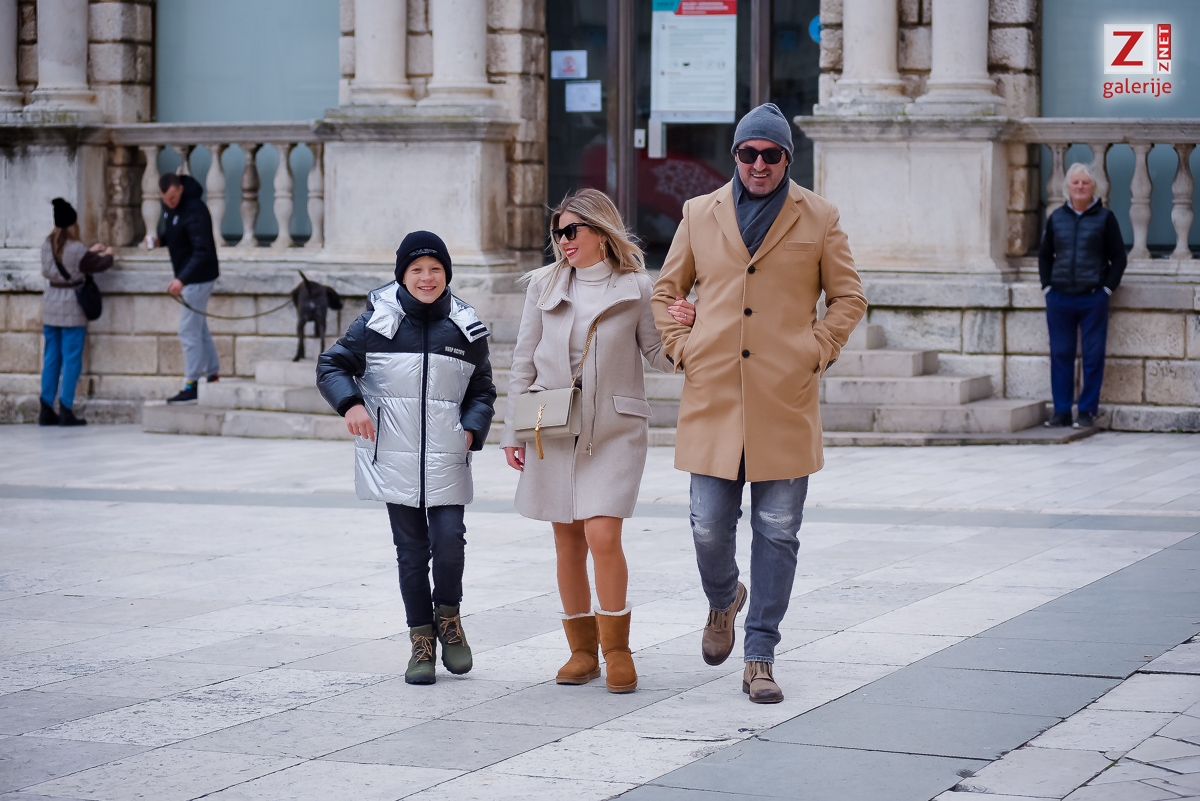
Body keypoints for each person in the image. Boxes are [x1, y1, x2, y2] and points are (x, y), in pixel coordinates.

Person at [652, 103, 867, 704]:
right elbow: (666, 291)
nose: (759, 164)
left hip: (784, 398)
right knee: (706, 526)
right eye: (748, 153)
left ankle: (760, 656)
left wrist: (815, 350)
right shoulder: (699, 213)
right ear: (735, 156)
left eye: (771, 155)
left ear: (787, 159)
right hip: (713, 395)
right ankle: (724, 599)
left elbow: (849, 298)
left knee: (777, 531)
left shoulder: (819, 215)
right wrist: (683, 349)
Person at [501, 189, 672, 694]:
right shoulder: (544, 285)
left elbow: (658, 354)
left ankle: (618, 651)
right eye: (558, 232)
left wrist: (688, 327)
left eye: (572, 230)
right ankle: (582, 652)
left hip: (614, 429)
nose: (563, 240)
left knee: (602, 535)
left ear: (601, 230)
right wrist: (512, 430)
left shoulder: (636, 286)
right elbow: (523, 359)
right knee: (568, 541)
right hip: (552, 426)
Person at [316, 231, 496, 685]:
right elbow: (331, 365)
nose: (426, 277)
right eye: (417, 270)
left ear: (447, 274)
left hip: (447, 455)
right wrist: (350, 404)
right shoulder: (376, 324)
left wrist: (471, 428)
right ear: (402, 275)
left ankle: (449, 619)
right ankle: (421, 641)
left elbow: (482, 389)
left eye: (435, 269)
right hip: (394, 458)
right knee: (412, 553)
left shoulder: (466, 326)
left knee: (450, 541)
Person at [1039, 162, 1127, 430]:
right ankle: (1061, 412)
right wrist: (1047, 287)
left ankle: (1087, 411)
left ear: (1093, 187)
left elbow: (1118, 258)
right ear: (1068, 187)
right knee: (1061, 354)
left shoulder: (1105, 218)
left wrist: (1106, 289)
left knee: (1092, 356)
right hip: (1060, 298)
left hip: (1092, 298)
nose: (1080, 187)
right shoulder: (1057, 217)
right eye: (1075, 182)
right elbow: (1045, 256)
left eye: (1085, 183)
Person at [39, 198, 113, 427]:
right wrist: (109, 254)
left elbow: (68, 262)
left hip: (51, 305)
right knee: (71, 360)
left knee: (51, 358)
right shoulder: (77, 249)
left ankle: (46, 408)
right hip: (71, 307)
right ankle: (66, 409)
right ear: (73, 225)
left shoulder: (46, 246)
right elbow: (98, 265)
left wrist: (89, 252)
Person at [147, 173, 220, 404]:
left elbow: (202, 250)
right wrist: (160, 240)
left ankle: (192, 384)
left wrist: (182, 279)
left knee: (188, 331)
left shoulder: (195, 209)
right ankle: (212, 375)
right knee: (199, 329)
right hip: (190, 277)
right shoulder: (173, 209)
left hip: (198, 277)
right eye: (165, 200)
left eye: (172, 198)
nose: (169, 203)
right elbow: (177, 233)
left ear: (180, 189)